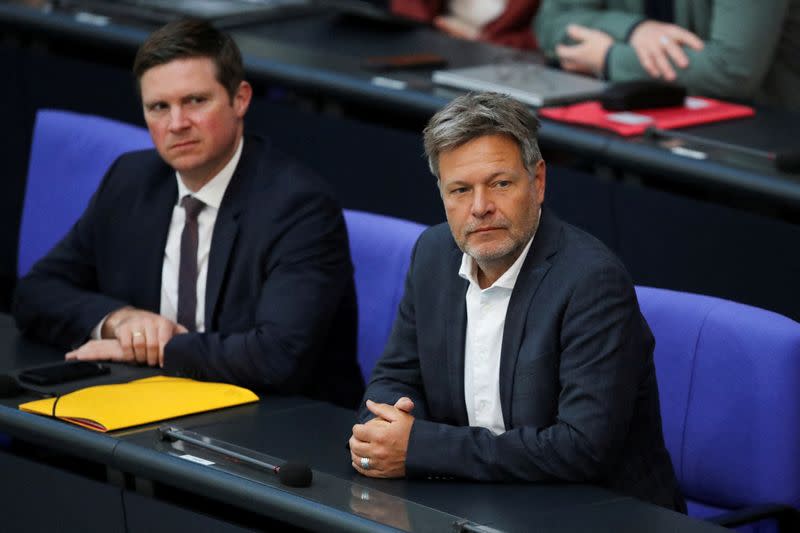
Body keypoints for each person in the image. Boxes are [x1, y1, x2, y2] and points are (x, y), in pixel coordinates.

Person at [348, 92, 685, 511]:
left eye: (500, 183)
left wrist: (420, 447)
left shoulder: (591, 281)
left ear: (538, 181)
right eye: (459, 190)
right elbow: (395, 374)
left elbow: (582, 448)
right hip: (478, 498)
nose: (480, 208)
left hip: (594, 512)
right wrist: (381, 427)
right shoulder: (434, 253)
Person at [13, 19, 364, 408]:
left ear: (240, 99)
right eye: (159, 107)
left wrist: (160, 347)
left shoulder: (299, 206)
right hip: (148, 403)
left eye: (195, 101)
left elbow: (278, 356)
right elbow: (35, 292)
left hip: (273, 420)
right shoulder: (130, 180)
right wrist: (121, 320)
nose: (176, 124)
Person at [535, 0, 800, 110]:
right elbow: (550, 24)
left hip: (757, 148)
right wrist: (633, 30)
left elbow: (731, 70)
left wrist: (608, 57)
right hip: (639, 130)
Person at [392, 0, 540, 50]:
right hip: (430, 42)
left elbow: (538, 38)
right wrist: (426, 27)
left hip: (498, 61)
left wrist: (481, 41)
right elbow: (409, 9)